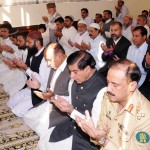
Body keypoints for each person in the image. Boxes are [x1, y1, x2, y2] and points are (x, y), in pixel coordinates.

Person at [37, 51, 106, 150]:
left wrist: (71, 112)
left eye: (75, 72)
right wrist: (55, 97)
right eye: (70, 72)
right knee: (44, 139)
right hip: (73, 126)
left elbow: (95, 127)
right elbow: (71, 100)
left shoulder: (102, 89)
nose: (71, 76)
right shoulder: (74, 80)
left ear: (87, 69)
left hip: (87, 139)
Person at [75, 59, 150, 150]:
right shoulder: (108, 97)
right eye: (108, 82)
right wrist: (93, 133)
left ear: (132, 86)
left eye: (115, 85)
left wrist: (103, 139)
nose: (108, 89)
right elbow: (100, 131)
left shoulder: (146, 116)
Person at [24, 42, 71, 136]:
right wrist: (39, 86)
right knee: (27, 116)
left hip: (61, 110)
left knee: (42, 130)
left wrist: (54, 97)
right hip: (49, 103)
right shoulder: (55, 66)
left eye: (49, 60)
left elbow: (73, 98)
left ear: (60, 56)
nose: (48, 64)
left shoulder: (72, 70)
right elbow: (50, 88)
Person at [7, 31, 47, 117]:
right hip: (30, 88)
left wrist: (25, 68)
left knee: (18, 111)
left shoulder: (45, 57)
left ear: (37, 42)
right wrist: (21, 66)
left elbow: (42, 81)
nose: (27, 44)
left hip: (40, 91)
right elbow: (28, 73)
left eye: (29, 42)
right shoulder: (32, 53)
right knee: (11, 103)